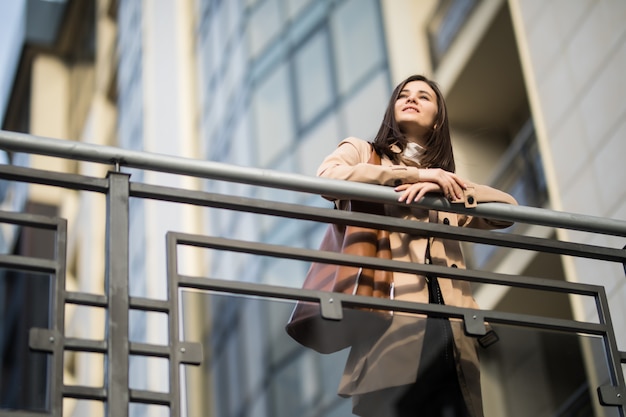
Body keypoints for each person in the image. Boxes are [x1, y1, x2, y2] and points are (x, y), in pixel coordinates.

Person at [316, 74, 518, 417]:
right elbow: (327, 177)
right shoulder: (365, 152)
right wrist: (414, 177)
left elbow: (507, 211)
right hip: (392, 324)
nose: (411, 99)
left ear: (437, 119)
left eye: (424, 97)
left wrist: (443, 184)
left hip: (453, 333)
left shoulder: (445, 187)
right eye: (403, 95)